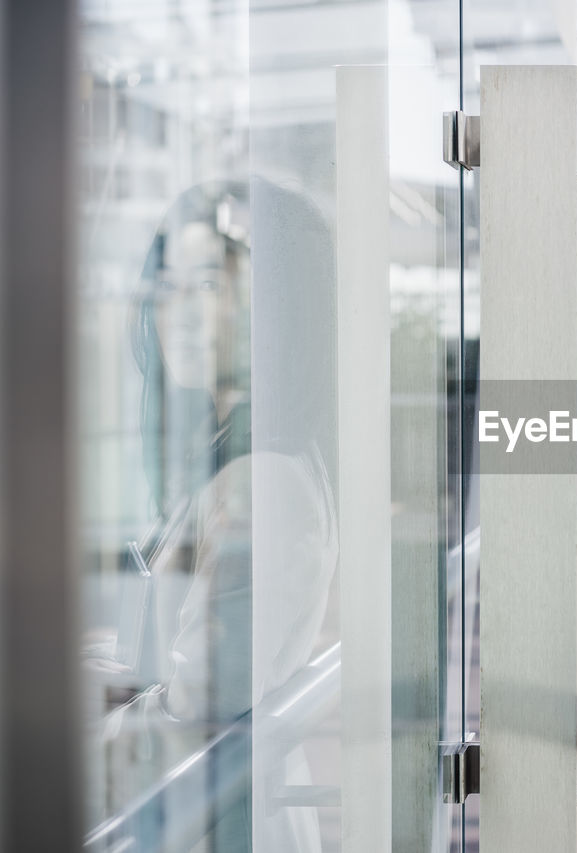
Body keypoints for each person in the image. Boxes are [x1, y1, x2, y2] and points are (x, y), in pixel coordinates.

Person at [94, 179, 338, 852]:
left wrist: (85, 720)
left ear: (276, 301)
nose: (182, 313)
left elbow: (197, 709)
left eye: (209, 284)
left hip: (219, 819)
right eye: (169, 286)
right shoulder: (235, 455)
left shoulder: (264, 481)